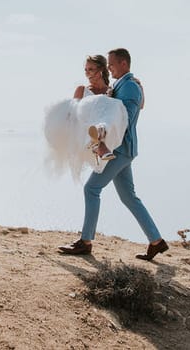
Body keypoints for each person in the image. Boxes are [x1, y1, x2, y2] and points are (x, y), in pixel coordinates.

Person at [58, 48, 168, 261]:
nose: (109, 68)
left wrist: (103, 136)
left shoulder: (129, 86)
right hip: (124, 150)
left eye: (111, 64)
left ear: (123, 64)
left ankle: (85, 242)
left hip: (119, 150)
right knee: (129, 197)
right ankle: (156, 241)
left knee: (92, 189)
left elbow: (123, 118)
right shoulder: (121, 85)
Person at [43, 55, 128, 181]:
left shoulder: (111, 91)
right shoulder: (82, 90)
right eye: (86, 70)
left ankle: (99, 138)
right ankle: (97, 141)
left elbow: (136, 107)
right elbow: (74, 114)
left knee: (114, 106)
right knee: (93, 105)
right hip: (83, 129)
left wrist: (139, 86)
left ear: (100, 71)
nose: (87, 73)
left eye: (91, 69)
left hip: (104, 128)